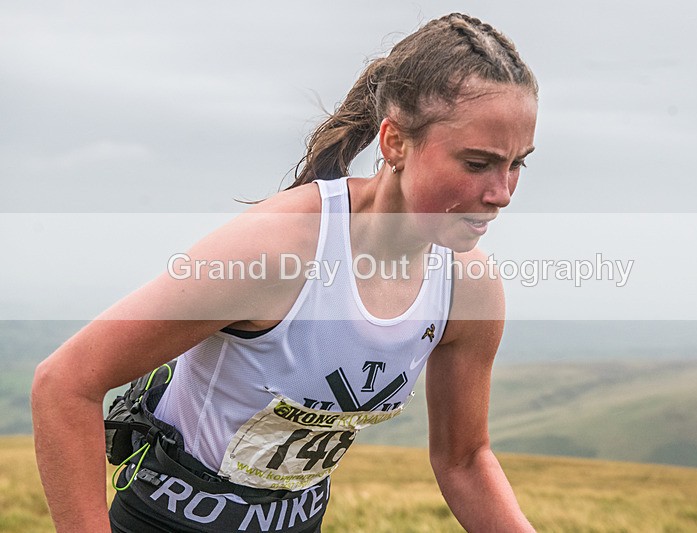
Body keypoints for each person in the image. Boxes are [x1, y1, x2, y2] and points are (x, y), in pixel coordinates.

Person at [32, 12, 538, 532]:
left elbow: (465, 460)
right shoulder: (276, 252)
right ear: (395, 143)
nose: (501, 194)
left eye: (518, 163)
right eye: (477, 164)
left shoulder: (469, 290)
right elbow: (64, 384)